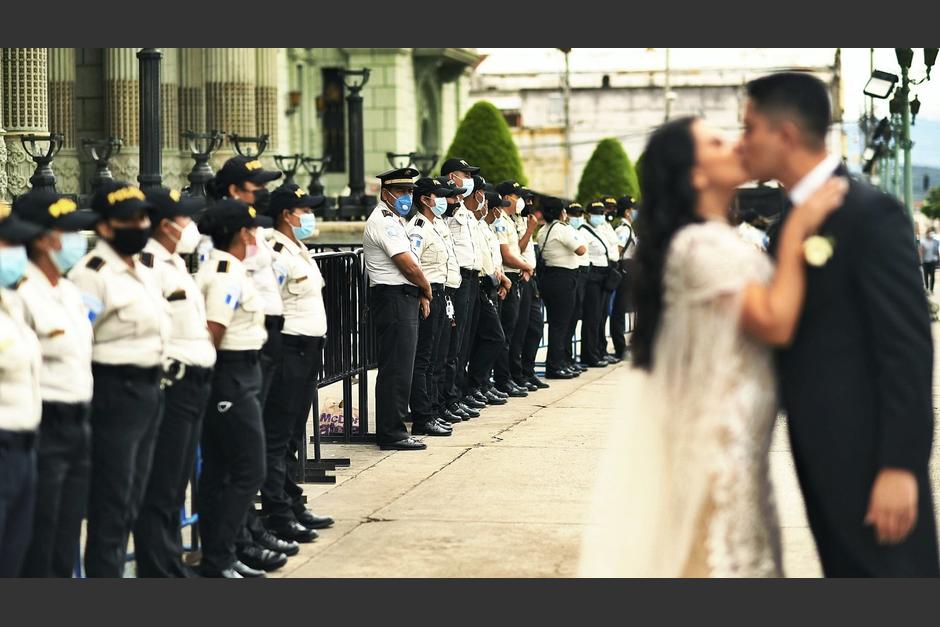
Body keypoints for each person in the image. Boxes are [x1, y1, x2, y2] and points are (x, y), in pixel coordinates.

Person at [579, 115, 847, 577]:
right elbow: (774, 322)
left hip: (740, 440)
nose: (736, 143)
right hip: (715, 448)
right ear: (696, 175)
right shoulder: (698, 246)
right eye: (718, 142)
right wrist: (801, 223)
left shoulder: (717, 237)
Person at [740, 72, 939, 577]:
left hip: (874, 458)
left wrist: (901, 464)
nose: (742, 143)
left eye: (749, 129)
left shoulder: (870, 212)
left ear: (784, 133)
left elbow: (907, 347)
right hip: (819, 449)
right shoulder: (789, 223)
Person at [68, 181, 167, 578]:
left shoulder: (139, 268)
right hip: (114, 392)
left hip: (147, 390)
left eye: (143, 217)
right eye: (129, 219)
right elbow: (79, 340)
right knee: (111, 503)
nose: (140, 225)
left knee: (133, 498)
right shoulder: (91, 275)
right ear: (106, 227)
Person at [208, 155, 296, 572]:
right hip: (236, 356)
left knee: (254, 448)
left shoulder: (252, 230)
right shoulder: (227, 236)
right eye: (252, 185)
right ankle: (230, 544)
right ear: (233, 191)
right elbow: (214, 326)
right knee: (239, 459)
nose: (259, 192)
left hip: (261, 337)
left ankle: (247, 530)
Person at [11, 191, 97, 578]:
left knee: (67, 530)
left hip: (79, 421)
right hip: (45, 422)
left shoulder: (65, 290)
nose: (75, 238)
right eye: (66, 231)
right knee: (39, 537)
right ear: (42, 238)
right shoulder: (22, 293)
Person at [131, 187, 215, 578]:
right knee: (162, 485)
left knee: (177, 480)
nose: (192, 226)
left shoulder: (176, 262)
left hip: (194, 382)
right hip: (172, 384)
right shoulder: (150, 265)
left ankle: (170, 563)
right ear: (165, 225)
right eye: (185, 219)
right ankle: (159, 568)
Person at [194, 199, 272, 578]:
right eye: (253, 229)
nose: (256, 235)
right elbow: (213, 331)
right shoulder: (225, 272)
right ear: (242, 233)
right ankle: (219, 556)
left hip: (241, 372)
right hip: (231, 374)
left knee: (222, 470)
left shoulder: (230, 268)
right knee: (249, 468)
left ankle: (222, 554)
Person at [262, 184, 335, 541]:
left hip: (308, 349)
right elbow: (271, 305)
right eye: (304, 209)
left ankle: (292, 502)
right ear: (287, 215)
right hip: (290, 349)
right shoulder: (274, 252)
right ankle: (277, 512)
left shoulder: (298, 248)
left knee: (293, 433)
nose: (310, 215)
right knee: (278, 435)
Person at [363, 167, 432, 451]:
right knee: (395, 368)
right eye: (402, 191)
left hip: (402, 296)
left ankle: (394, 429)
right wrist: (426, 288)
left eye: (410, 192)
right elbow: (407, 264)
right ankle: (391, 433)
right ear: (386, 192)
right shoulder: (384, 221)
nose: (407, 196)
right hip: (392, 298)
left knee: (402, 367)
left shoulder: (397, 220)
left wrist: (419, 292)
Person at [0, 209, 43, 577]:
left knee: (15, 551)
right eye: (7, 243)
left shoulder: (11, 303)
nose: (16, 252)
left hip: (23, 442)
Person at [406, 178, 461, 437]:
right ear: (425, 199)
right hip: (427, 295)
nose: (443, 200)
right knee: (424, 359)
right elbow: (413, 264)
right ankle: (422, 417)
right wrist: (423, 295)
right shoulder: (418, 228)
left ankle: (433, 410)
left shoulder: (436, 225)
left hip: (440, 293)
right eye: (438, 195)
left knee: (436, 358)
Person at [466, 192, 512, 404]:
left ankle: (482, 384)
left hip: (491, 284)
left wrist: (501, 278)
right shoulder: (475, 225)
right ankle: (474, 385)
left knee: (490, 337)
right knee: (492, 337)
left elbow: (493, 258)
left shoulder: (484, 228)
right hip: (479, 285)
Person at [492, 181, 535, 398]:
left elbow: (517, 250)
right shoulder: (500, 220)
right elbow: (507, 255)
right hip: (507, 277)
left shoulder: (510, 220)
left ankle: (508, 377)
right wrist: (527, 266)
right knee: (505, 333)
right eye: (516, 196)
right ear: (505, 197)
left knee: (514, 331)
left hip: (515, 276)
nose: (519, 201)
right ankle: (502, 379)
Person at [535, 197, 587, 379]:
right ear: (560, 212)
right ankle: (556, 365)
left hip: (550, 278)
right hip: (563, 279)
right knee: (561, 324)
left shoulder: (543, 230)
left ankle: (561, 362)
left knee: (558, 323)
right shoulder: (561, 229)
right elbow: (581, 249)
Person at [516, 189, 549, 390]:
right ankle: (517, 374)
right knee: (519, 330)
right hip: (520, 277)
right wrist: (529, 230)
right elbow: (515, 250)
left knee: (535, 328)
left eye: (530, 200)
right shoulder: (513, 224)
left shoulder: (524, 221)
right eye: (524, 199)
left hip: (531, 279)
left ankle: (528, 371)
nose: (528, 203)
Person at [577, 201, 615, 368]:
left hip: (603, 276)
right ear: (588, 214)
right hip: (592, 277)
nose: (600, 215)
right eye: (596, 212)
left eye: (602, 212)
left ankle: (598, 351)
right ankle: (589, 355)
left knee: (599, 317)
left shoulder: (600, 229)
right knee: (591, 317)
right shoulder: (583, 231)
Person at [596, 197, 623, 364]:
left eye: (612, 208)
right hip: (602, 271)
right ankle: (598, 349)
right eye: (607, 208)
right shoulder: (598, 227)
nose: (610, 211)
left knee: (604, 313)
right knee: (598, 315)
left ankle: (601, 348)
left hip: (611, 270)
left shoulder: (607, 226)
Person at [610, 196, 637, 360]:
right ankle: (620, 348)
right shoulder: (623, 230)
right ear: (627, 212)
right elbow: (617, 250)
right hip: (623, 270)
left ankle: (622, 346)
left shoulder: (628, 228)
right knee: (619, 310)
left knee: (622, 308)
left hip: (628, 269)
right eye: (633, 209)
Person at [564, 203, 590, 376]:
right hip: (573, 274)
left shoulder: (580, 230)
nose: (577, 217)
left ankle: (568, 359)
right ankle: (564, 359)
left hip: (582, 274)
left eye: (580, 214)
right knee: (567, 320)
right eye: (574, 214)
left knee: (574, 319)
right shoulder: (565, 230)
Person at [920, 227, 939, 293]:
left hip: (932, 260)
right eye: (930, 233)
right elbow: (921, 251)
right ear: (927, 233)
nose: (931, 234)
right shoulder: (923, 241)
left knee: (932, 275)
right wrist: (921, 259)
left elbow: (936, 250)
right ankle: (927, 288)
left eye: (932, 233)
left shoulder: (935, 241)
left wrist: (938, 257)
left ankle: (931, 289)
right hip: (925, 261)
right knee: (926, 275)